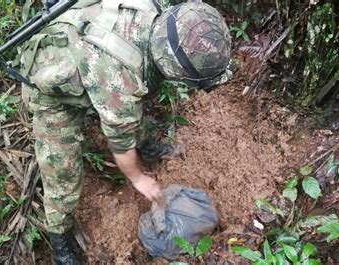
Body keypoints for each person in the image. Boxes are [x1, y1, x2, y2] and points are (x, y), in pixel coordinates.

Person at [18, 0, 232, 263]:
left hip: (91, 60)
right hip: (52, 88)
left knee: (129, 110)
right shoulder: (119, 81)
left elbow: (127, 105)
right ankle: (59, 241)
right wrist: (138, 178)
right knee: (62, 172)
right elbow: (119, 141)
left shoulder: (158, 12)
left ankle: (148, 146)